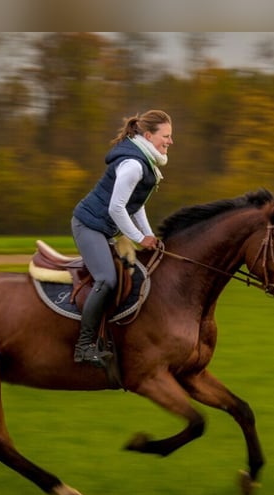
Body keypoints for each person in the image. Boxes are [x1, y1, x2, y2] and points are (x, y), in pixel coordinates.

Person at [71, 109, 173, 366]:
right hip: (88, 226)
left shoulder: (145, 162)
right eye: (166, 136)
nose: (170, 141)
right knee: (106, 280)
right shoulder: (133, 165)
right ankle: (84, 347)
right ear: (148, 136)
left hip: (103, 229)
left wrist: (149, 234)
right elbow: (116, 208)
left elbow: (135, 205)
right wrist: (139, 238)